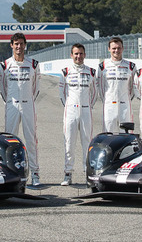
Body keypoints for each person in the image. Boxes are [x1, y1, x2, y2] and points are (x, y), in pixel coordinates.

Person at [0, 32, 41, 187]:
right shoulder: (5, 65)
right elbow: (2, 88)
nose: (19, 47)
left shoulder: (33, 64)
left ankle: (35, 173)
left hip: (28, 104)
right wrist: (10, 101)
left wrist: (28, 100)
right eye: (16, 44)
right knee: (10, 140)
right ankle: (10, 173)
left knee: (31, 140)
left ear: (25, 45)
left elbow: (36, 88)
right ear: (12, 45)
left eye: (21, 44)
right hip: (12, 104)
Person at [59, 43, 96, 186]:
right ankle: (68, 174)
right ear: (71, 55)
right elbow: (62, 94)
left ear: (84, 55)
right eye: (76, 54)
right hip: (70, 110)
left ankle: (88, 174)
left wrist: (88, 105)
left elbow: (94, 94)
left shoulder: (91, 72)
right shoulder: (65, 71)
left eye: (81, 53)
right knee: (69, 142)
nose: (78, 56)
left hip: (86, 110)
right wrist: (69, 105)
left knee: (87, 142)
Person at [97, 36, 136, 133]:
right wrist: (108, 99)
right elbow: (101, 88)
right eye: (114, 48)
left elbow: (133, 87)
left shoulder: (131, 66)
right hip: (109, 105)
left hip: (125, 105)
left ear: (122, 49)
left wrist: (125, 98)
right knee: (108, 134)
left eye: (119, 48)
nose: (116, 50)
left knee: (126, 135)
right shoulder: (102, 66)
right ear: (109, 49)